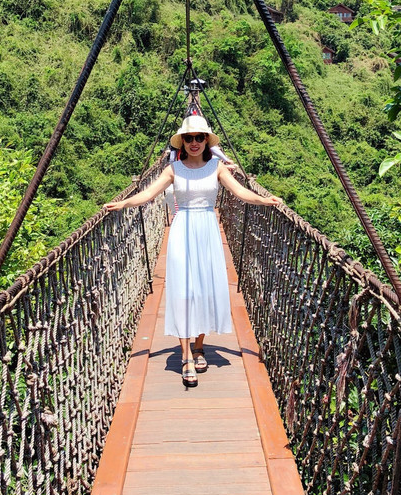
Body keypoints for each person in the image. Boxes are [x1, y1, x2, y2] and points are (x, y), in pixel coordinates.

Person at [104, 115, 282, 387]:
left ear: (207, 141)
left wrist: (264, 200)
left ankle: (199, 347)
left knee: (204, 290)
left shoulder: (217, 167)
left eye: (200, 137)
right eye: (189, 138)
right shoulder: (173, 169)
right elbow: (148, 194)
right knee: (184, 292)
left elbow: (240, 192)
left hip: (207, 230)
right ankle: (186, 355)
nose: (194, 142)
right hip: (183, 230)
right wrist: (123, 204)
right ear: (182, 142)